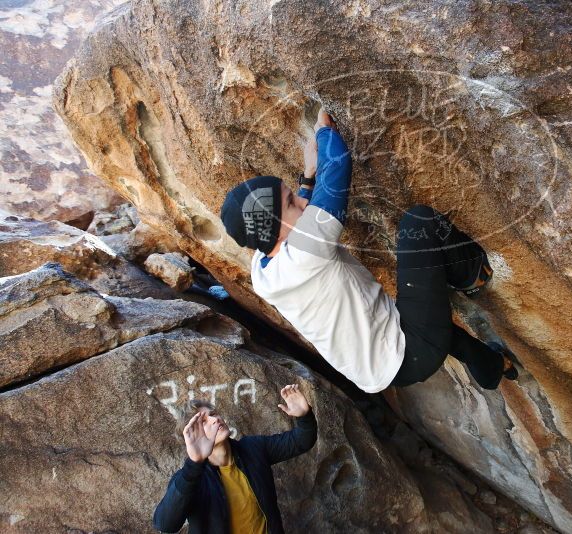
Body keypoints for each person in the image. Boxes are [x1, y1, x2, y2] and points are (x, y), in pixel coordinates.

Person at [220, 109, 518, 394]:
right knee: (419, 221)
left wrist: (308, 176)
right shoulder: (302, 255)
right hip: (411, 351)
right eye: (291, 201)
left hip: (385, 363)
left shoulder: (263, 267)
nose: (302, 202)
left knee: (434, 319)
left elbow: (296, 218)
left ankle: (492, 367)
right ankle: (473, 276)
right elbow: (337, 165)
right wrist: (323, 131)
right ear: (275, 228)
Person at [152, 384, 317, 534]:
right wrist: (194, 463)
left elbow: (300, 442)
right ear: (192, 436)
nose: (215, 420)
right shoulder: (190, 479)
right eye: (203, 421)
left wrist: (304, 416)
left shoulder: (253, 449)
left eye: (213, 414)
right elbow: (165, 524)